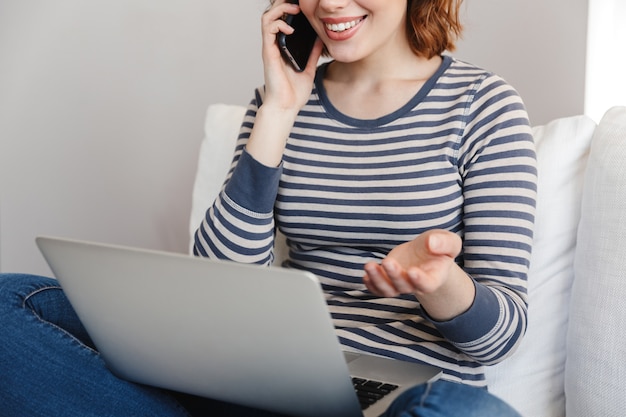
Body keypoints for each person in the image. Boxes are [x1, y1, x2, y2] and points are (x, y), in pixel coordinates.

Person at [0, 0, 535, 416]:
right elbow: (220, 283)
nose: (329, 6)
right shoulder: (277, 101)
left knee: (465, 412)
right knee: (8, 304)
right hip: (264, 376)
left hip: (400, 392)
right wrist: (279, 109)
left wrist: (439, 282)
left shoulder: (483, 106)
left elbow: (501, 337)